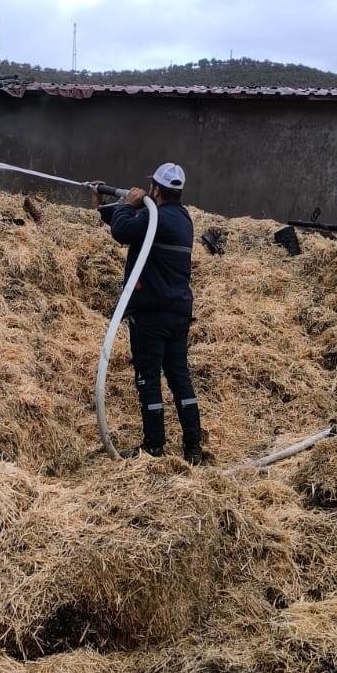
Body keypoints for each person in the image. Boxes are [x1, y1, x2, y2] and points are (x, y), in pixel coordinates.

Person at [95, 163, 205, 464]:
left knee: (148, 377)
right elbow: (133, 225)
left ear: (155, 189)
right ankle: (193, 447)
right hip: (178, 311)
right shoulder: (182, 219)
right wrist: (106, 203)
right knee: (179, 375)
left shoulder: (157, 218)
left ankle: (154, 445)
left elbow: (124, 230)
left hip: (152, 313)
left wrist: (127, 204)